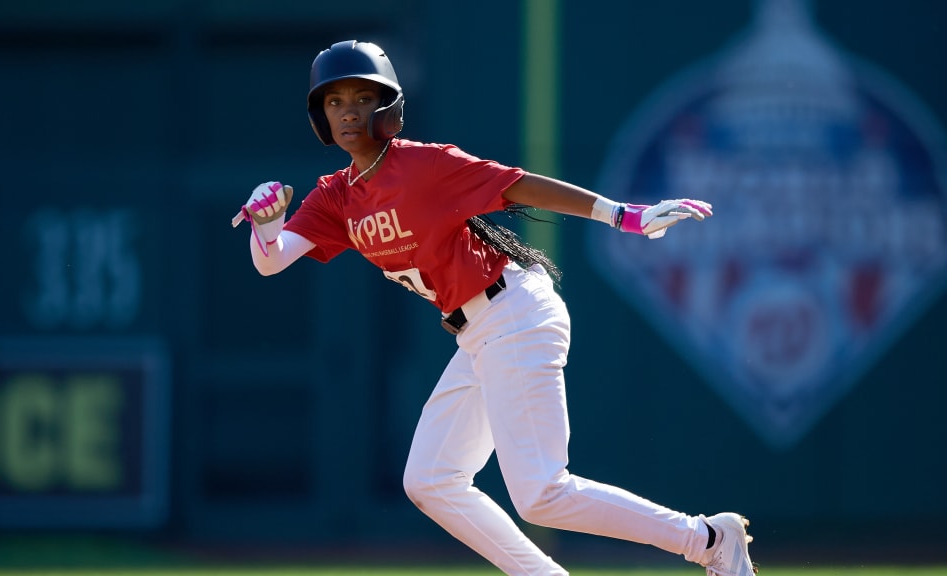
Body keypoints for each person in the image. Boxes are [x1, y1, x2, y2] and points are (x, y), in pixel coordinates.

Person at [233, 39, 756, 576]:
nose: (348, 111)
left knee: (542, 494)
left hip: (514, 314)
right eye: (335, 101)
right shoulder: (334, 197)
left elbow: (520, 186)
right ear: (321, 115)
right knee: (431, 479)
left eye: (363, 98)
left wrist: (623, 215)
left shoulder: (422, 164)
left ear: (388, 107)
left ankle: (709, 539)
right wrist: (266, 223)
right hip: (479, 332)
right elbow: (271, 261)